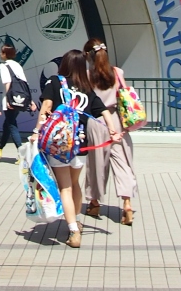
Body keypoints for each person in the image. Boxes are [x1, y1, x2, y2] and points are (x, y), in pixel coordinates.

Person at [31, 49, 123, 248]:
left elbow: (46, 107)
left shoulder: (55, 82)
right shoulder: (86, 88)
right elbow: (103, 111)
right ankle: (77, 220)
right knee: (74, 184)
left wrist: (37, 131)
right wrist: (113, 131)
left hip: (60, 144)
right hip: (80, 143)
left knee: (64, 187)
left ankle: (73, 230)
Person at [82, 38, 138, 225]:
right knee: (122, 161)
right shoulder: (117, 72)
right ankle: (127, 203)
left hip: (96, 121)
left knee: (97, 163)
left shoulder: (87, 76)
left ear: (88, 55)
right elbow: (124, 95)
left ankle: (94, 202)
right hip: (117, 119)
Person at [0, 43, 34, 159]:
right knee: (8, 124)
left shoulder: (4, 66)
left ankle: (21, 153)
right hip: (20, 98)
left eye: (2, 52)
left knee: (12, 125)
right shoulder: (17, 65)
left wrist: (8, 99)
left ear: (5, 54)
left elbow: (7, 82)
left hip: (11, 98)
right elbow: (25, 83)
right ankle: (0, 147)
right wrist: (30, 100)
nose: (0, 54)